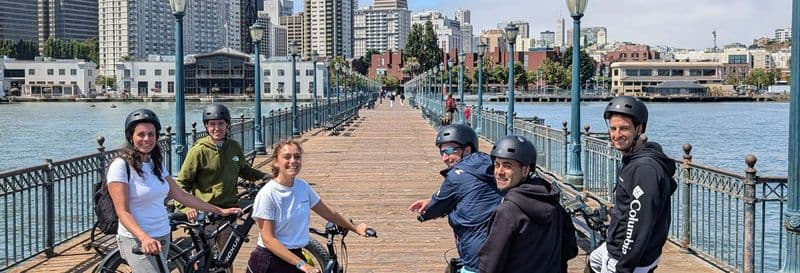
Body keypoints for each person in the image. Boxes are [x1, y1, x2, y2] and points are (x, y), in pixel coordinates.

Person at [108, 109, 242, 272]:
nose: (147, 139)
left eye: (151, 134)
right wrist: (144, 238)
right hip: (138, 239)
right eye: (141, 134)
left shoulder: (154, 164)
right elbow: (122, 212)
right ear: (131, 137)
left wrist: (219, 210)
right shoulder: (120, 166)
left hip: (162, 235)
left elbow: (181, 195)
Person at [247, 139, 375, 273]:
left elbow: (329, 213)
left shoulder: (302, 186)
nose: (293, 161)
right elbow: (269, 240)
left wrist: (355, 228)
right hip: (269, 261)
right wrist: (302, 264)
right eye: (287, 157)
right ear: (275, 161)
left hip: (294, 256)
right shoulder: (268, 194)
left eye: (297, 157)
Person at [588, 96, 677, 273]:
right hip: (618, 247)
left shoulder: (644, 169)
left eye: (624, 128)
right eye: (613, 128)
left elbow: (638, 223)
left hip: (629, 257)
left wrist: (624, 266)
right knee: (594, 261)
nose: (616, 135)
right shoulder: (634, 158)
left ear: (639, 129)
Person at [409, 124, 503, 273]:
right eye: (442, 153)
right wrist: (432, 199)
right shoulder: (491, 166)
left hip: (477, 254)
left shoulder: (456, 175)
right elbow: (469, 191)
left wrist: (425, 213)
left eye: (449, 151)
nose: (445, 158)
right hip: (502, 251)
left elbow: (436, 207)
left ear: (466, 150)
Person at [479, 135, 578, 273]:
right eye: (497, 165)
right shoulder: (554, 203)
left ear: (525, 170)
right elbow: (570, 249)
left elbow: (490, 264)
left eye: (507, 166)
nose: (499, 172)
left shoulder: (508, 211)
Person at [176, 104, 269, 248]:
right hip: (206, 213)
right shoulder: (198, 151)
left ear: (227, 125)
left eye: (221, 124)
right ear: (206, 126)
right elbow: (182, 183)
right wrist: (186, 208)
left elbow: (244, 170)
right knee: (203, 259)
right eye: (212, 124)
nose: (217, 128)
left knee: (225, 259)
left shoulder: (234, 147)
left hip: (229, 211)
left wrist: (264, 177)